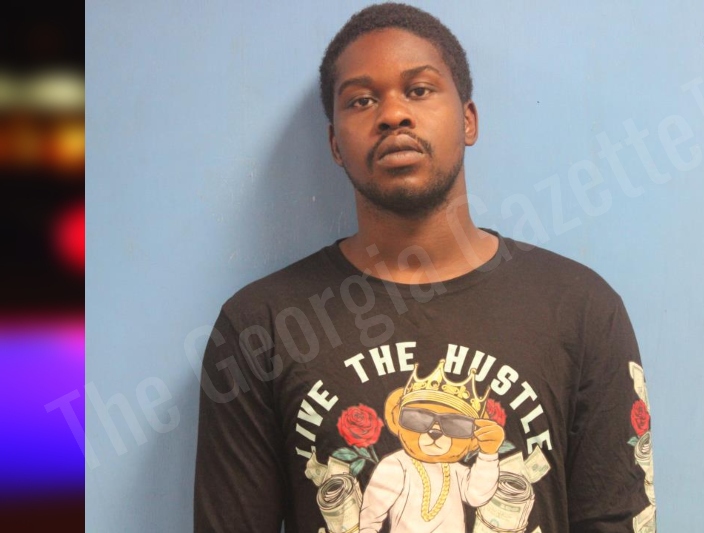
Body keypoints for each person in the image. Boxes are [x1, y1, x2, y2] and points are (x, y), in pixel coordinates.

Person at [193, 3, 656, 533]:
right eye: (362, 100)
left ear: (468, 120)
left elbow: (618, 517)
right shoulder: (260, 326)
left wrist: (487, 454)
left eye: (419, 90)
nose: (393, 114)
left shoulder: (582, 309)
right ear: (335, 145)